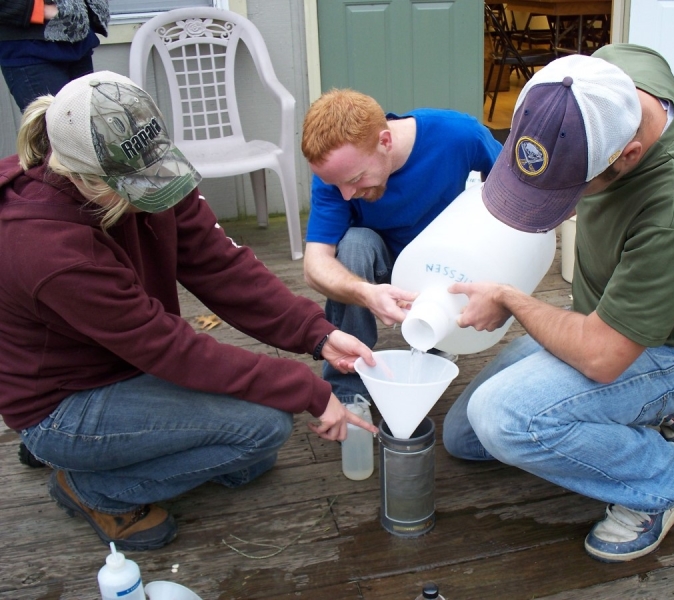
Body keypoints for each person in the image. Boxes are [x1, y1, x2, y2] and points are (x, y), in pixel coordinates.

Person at [0, 71, 378, 551]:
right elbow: (167, 347)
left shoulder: (146, 173)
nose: (153, 195)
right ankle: (92, 486)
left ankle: (107, 458)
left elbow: (221, 266)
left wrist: (316, 333)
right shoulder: (46, 247)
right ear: (81, 175)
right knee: (263, 430)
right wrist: (306, 386)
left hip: (128, 364)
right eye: (135, 189)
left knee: (252, 456)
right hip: (64, 402)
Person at [442, 45, 674, 562]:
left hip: (664, 349)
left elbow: (603, 356)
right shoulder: (600, 79)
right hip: (599, 322)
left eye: (569, 193)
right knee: (466, 438)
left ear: (628, 155)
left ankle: (662, 479)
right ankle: (643, 415)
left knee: (507, 420)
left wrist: (511, 299)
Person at [301, 89, 503, 404]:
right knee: (353, 244)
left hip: (446, 266)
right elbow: (315, 265)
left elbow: (516, 195)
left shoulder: (458, 136)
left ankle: (437, 347)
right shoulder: (337, 174)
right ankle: (348, 392)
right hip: (385, 265)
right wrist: (365, 293)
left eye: (355, 179)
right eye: (336, 185)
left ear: (385, 141)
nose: (345, 194)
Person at [0, 0, 109, 112]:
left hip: (77, 40)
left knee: (86, 122)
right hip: (31, 50)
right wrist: (37, 9)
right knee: (55, 125)